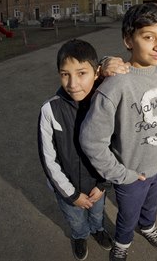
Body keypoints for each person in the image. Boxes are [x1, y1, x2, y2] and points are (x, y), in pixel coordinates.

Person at [79, 3, 157, 261]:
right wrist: (120, 174)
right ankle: (122, 242)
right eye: (148, 37)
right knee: (127, 215)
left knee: (151, 206)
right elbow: (90, 140)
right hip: (133, 173)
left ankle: (148, 226)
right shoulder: (115, 86)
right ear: (128, 40)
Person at [38, 39, 113, 260]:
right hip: (66, 190)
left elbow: (114, 146)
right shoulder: (50, 110)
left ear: (97, 72)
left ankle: (98, 229)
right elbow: (48, 159)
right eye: (65, 74)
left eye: (81, 73)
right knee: (75, 219)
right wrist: (71, 194)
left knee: (97, 212)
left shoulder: (106, 103)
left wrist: (102, 184)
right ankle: (80, 235)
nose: (72, 83)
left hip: (96, 186)